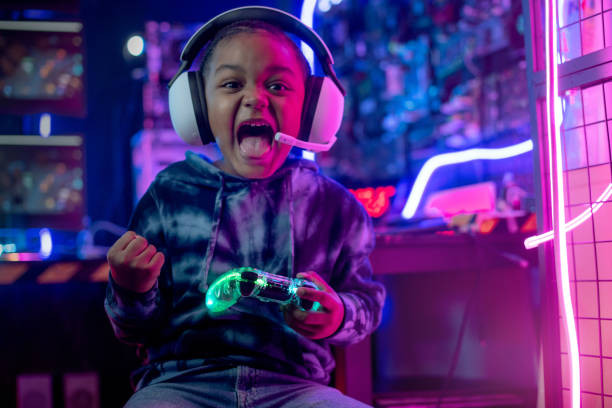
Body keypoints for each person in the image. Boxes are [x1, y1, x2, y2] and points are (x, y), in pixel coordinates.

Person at [105, 6, 385, 408]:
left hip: (296, 389)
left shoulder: (334, 208)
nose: (255, 98)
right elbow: (133, 329)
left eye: (278, 86)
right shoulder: (169, 195)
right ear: (198, 107)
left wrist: (338, 314)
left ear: (312, 109)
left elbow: (367, 305)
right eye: (232, 84)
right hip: (182, 384)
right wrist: (131, 289)